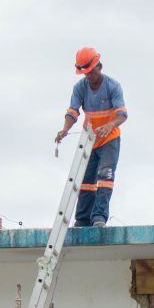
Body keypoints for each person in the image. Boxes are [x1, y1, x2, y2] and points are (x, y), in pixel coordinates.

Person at [53, 46, 127, 227]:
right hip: (90, 139)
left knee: (105, 176)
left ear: (99, 67)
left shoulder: (112, 86)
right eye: (84, 73)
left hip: (109, 138)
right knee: (85, 181)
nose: (88, 76)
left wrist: (109, 125)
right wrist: (65, 129)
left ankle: (99, 218)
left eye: (91, 72)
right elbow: (73, 112)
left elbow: (122, 114)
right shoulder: (80, 88)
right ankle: (83, 219)